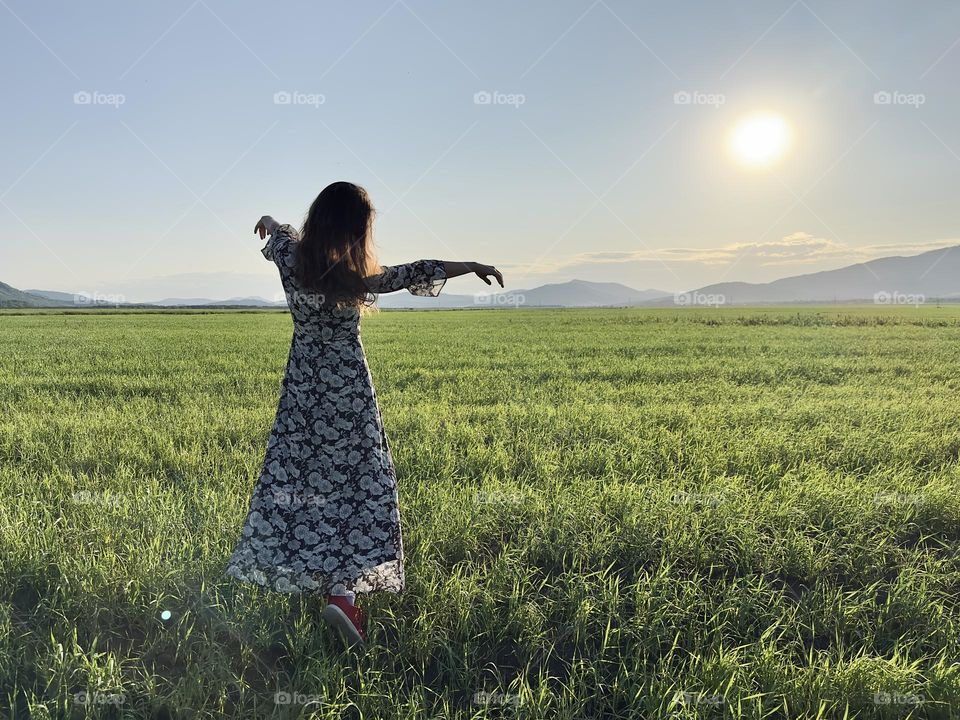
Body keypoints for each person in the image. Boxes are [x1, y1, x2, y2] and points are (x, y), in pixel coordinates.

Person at [226, 181, 503, 646]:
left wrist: (269, 220)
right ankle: (343, 595)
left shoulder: (291, 256)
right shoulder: (358, 277)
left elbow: (279, 232)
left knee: (302, 481)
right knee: (361, 485)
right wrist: (469, 265)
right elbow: (417, 269)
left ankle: (320, 580)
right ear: (356, 229)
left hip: (303, 393)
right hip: (349, 393)